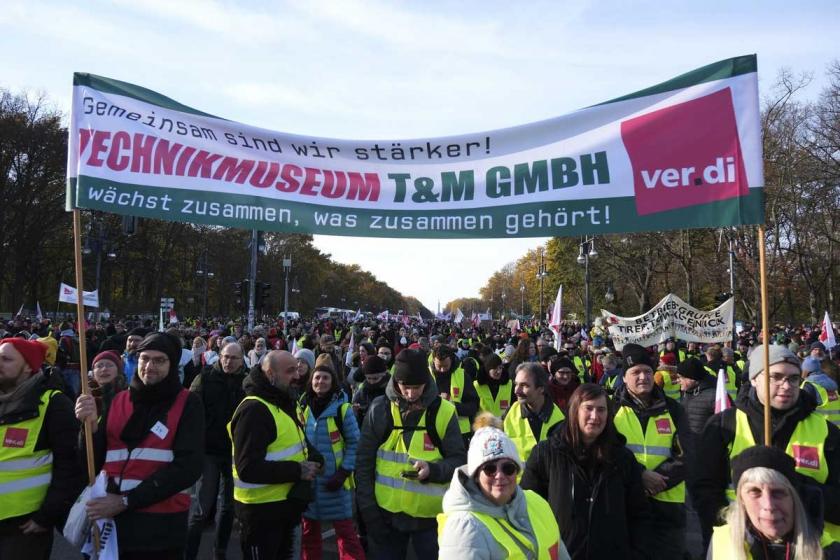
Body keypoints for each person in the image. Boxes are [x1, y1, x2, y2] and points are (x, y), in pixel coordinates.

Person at [695, 344, 840, 550]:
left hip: (811, 546)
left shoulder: (826, 431)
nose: (786, 385)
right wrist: (736, 528)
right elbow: (704, 491)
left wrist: (793, 484)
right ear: (754, 379)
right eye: (775, 377)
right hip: (742, 545)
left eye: (793, 378)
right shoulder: (724, 425)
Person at [74, 331, 205, 559]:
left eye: (159, 360)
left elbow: (188, 468)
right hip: (111, 526)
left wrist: (126, 501)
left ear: (172, 365)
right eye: (145, 358)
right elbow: (92, 462)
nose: (149, 366)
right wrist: (90, 428)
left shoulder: (188, 403)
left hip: (160, 529)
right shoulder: (118, 400)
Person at [356, 348, 466, 559]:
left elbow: (459, 460)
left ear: (427, 381)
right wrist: (369, 512)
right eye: (405, 387)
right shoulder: (379, 409)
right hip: (385, 518)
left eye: (417, 387)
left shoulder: (444, 411)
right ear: (395, 381)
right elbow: (363, 462)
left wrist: (433, 470)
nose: (411, 394)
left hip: (431, 520)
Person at [521, 383, 651, 559]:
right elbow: (527, 511)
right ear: (574, 410)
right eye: (588, 408)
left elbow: (639, 514)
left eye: (601, 410)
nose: (594, 416)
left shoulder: (623, 458)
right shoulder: (546, 454)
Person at [228, 350, 324, 560]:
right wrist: (298, 470)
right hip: (261, 515)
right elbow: (248, 468)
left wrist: (314, 456)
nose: (297, 376)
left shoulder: (283, 400)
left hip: (285, 507)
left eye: (297, 369)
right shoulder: (255, 410)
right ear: (271, 374)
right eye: (290, 371)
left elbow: (294, 440)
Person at [438, 413, 570, 560]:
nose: (499, 475)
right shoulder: (464, 528)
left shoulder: (537, 503)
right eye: (489, 469)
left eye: (508, 468)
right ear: (476, 475)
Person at [0, 338, 83, 558]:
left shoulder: (53, 404)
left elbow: (70, 465)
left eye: (6, 359)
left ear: (28, 366)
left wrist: (46, 517)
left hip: (23, 526)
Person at [612, 343, 688, 559]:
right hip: (627, 503)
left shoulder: (674, 409)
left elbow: (686, 454)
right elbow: (608, 451)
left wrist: (658, 480)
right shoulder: (612, 409)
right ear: (624, 377)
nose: (643, 377)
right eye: (635, 372)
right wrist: (641, 476)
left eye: (647, 371)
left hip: (669, 506)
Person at [184, 342, 248, 560]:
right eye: (225, 357)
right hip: (209, 451)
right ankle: (189, 554)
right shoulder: (204, 378)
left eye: (234, 358)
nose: (228, 361)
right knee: (202, 507)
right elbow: (190, 412)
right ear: (219, 356)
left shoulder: (248, 382)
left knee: (229, 507)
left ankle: (219, 551)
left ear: (242, 360)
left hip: (235, 453)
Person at [708, 445, 824, 559]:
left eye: (778, 492)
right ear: (742, 500)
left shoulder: (827, 550)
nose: (768, 505)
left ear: (794, 499)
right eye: (755, 492)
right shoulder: (722, 542)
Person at [300, 363, 364, 559]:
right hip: (309, 481)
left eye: (325, 378)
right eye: (317, 378)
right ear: (311, 382)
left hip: (335, 483)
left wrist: (344, 471)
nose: (321, 381)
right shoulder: (302, 407)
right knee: (309, 534)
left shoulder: (343, 410)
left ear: (333, 382)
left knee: (346, 535)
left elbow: (355, 444)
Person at [503, 362, 565, 467]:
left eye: (524, 385)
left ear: (541, 388)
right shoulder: (510, 413)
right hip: (517, 482)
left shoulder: (560, 421)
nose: (516, 390)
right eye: (516, 384)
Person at [431, 345, 480, 444]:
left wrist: (452, 405)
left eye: (445, 366)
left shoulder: (462, 375)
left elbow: (474, 405)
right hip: (432, 430)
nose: (442, 370)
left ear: (452, 360)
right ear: (433, 361)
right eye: (439, 366)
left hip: (460, 432)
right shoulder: (427, 376)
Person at [473, 352, 513, 418]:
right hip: (484, 426)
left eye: (500, 368)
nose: (499, 371)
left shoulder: (509, 384)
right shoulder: (476, 386)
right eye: (495, 368)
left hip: (503, 425)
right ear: (487, 369)